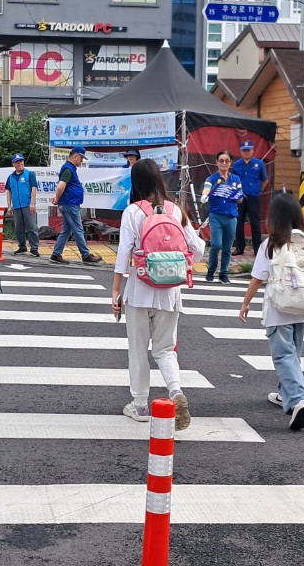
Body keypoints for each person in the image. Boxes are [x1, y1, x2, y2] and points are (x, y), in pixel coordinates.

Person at [112, 159, 206, 430]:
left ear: (136, 182)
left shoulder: (132, 211)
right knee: (165, 349)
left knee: (138, 349)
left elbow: (123, 255)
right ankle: (175, 392)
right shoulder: (175, 210)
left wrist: (116, 289)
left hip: (140, 290)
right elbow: (198, 249)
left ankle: (140, 405)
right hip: (170, 290)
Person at [239, 195, 304, 431]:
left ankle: (299, 399)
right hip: (303, 309)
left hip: (279, 309)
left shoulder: (271, 245)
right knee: (293, 356)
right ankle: (285, 393)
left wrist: (245, 303)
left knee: (283, 357)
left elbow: (257, 279)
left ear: (275, 219)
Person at [50, 146, 103, 265]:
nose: (81, 162)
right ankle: (86, 255)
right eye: (81, 158)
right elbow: (60, 186)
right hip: (70, 204)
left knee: (66, 231)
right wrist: (57, 199)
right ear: (75, 156)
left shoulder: (69, 168)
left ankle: (56, 254)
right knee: (78, 230)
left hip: (69, 203)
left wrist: (58, 199)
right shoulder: (68, 169)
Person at [200, 150, 244, 284]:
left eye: (227, 161)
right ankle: (211, 270)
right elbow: (207, 189)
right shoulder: (212, 179)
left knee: (227, 247)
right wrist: (204, 195)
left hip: (231, 216)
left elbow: (240, 198)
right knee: (216, 244)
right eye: (221, 161)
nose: (224, 163)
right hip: (216, 216)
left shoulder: (235, 179)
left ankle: (223, 273)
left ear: (230, 163)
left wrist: (235, 196)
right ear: (217, 162)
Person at [230, 139, 267, 256]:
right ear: (241, 152)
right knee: (238, 221)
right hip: (240, 196)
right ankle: (239, 247)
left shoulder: (259, 164)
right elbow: (233, 180)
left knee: (255, 222)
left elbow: (265, 180)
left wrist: (259, 190)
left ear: (252, 151)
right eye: (244, 150)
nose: (246, 152)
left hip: (253, 196)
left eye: (248, 150)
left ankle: (257, 248)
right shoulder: (236, 165)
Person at [5, 153, 40, 257]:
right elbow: (8, 191)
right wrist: (9, 206)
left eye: (21, 161)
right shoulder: (10, 177)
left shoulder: (30, 174)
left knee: (32, 227)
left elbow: (34, 188)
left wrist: (32, 203)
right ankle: (22, 247)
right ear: (13, 164)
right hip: (16, 207)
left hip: (27, 205)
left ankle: (34, 248)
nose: (20, 163)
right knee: (18, 228)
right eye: (17, 162)